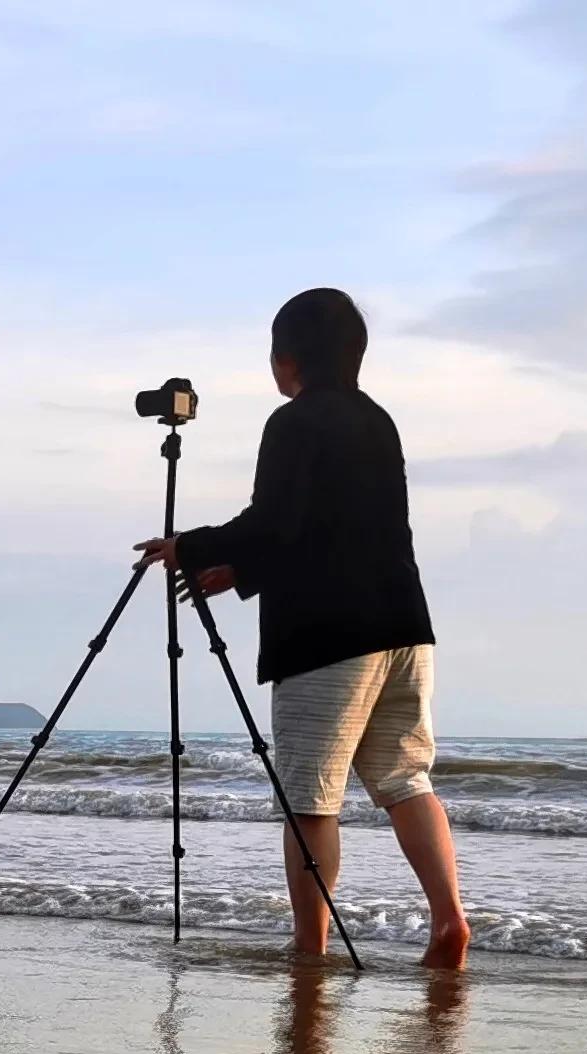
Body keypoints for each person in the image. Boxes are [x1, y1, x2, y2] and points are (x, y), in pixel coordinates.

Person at [133, 288, 472, 969]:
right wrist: (241, 571)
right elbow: (322, 529)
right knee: (405, 778)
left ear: (287, 358)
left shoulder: (292, 422)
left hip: (327, 638)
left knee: (310, 798)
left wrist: (188, 546)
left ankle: (310, 946)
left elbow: (273, 520)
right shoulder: (378, 421)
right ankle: (448, 919)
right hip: (403, 627)